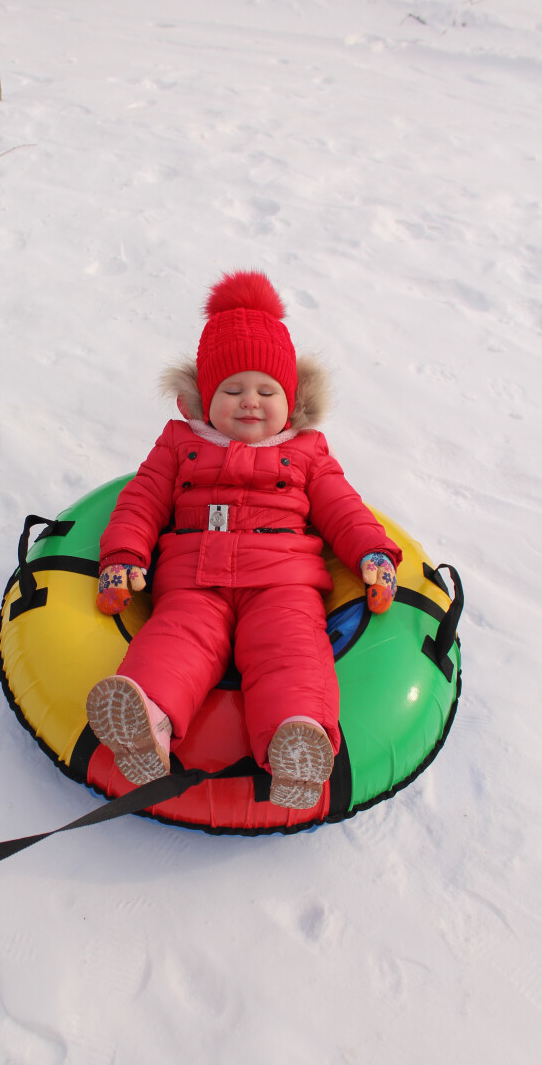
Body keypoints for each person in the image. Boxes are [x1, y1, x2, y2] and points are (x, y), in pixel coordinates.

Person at [86, 271, 401, 809]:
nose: (249, 403)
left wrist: (374, 552)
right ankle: (147, 722)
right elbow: (141, 501)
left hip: (283, 582)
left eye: (266, 390)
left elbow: (342, 507)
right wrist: (122, 555)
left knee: (290, 650)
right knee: (176, 640)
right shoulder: (179, 445)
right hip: (193, 580)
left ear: (291, 398)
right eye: (231, 390)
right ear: (205, 397)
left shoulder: (306, 452)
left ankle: (296, 740)